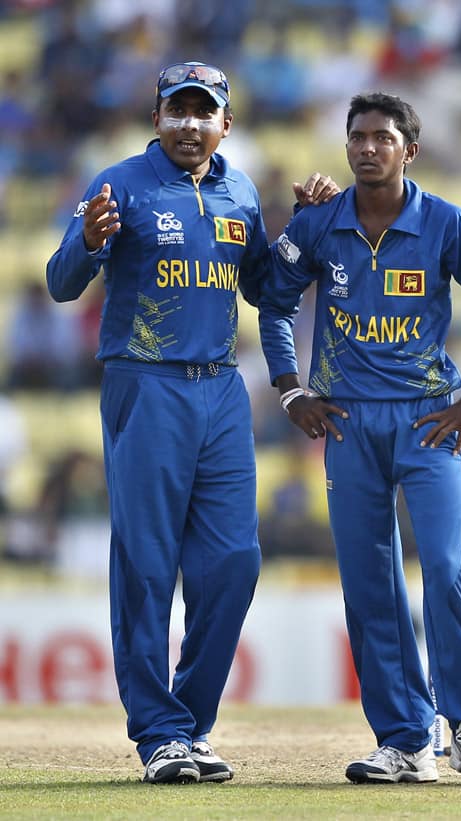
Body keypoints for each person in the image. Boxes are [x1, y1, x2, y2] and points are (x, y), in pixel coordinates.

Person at [46, 60, 339, 785]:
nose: (188, 124)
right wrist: (83, 239)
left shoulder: (240, 190)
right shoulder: (119, 184)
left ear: (224, 125)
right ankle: (159, 735)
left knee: (236, 562)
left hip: (221, 390)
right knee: (147, 563)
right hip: (145, 384)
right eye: (175, 111)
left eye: (202, 112)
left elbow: (268, 290)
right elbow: (60, 282)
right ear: (156, 119)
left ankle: (189, 723)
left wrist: (303, 226)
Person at [259, 93, 461, 786]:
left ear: (410, 149)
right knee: (368, 583)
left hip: (428, 419)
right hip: (347, 421)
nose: (368, 148)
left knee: (444, 567)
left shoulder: (443, 222)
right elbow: (272, 298)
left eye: (382, 137)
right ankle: (406, 739)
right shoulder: (321, 222)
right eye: (357, 137)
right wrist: (290, 387)